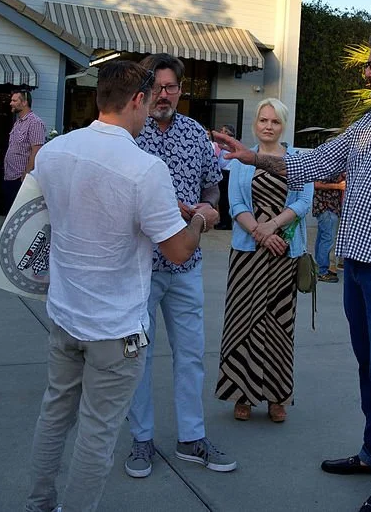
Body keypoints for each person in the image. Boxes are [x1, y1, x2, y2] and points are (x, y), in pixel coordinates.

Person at [214, 33, 371, 512]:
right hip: (356, 266)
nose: (367, 72)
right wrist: (253, 158)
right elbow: (318, 161)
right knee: (369, 369)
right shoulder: (369, 124)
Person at [26, 60, 220, 512]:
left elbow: (34, 216)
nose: (152, 107)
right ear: (136, 100)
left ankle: (38, 505)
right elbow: (177, 250)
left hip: (64, 315)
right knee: (96, 435)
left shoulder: (54, 153)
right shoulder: (144, 168)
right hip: (115, 327)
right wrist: (202, 220)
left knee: (54, 416)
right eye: (149, 99)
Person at [125, 53, 236, 479]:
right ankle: (141, 440)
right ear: (145, 89)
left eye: (172, 87)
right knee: (140, 357)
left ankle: (192, 439)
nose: (164, 94)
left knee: (190, 355)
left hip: (187, 263)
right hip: (141, 265)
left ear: (180, 89)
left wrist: (207, 209)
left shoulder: (194, 134)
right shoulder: (130, 134)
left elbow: (212, 186)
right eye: (157, 86)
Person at [216, 99, 312, 423]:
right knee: (242, 324)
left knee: (279, 328)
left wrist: (273, 227)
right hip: (248, 255)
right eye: (263, 120)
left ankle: (276, 397)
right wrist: (259, 232)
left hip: (284, 254)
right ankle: (241, 394)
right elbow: (235, 203)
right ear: (255, 124)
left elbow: (303, 202)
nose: (268, 126)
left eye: (274, 121)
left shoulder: (298, 160)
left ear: (283, 125)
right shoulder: (242, 160)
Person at [3, 89, 45, 212]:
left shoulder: (35, 123)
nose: (11, 103)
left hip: (20, 178)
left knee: (17, 213)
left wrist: (26, 175)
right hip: (9, 176)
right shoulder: (18, 123)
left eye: (14, 100)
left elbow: (36, 151)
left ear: (24, 102)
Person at [313, 172, 346, 282]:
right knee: (327, 239)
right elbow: (315, 184)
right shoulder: (326, 166)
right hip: (327, 206)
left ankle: (319, 267)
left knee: (323, 237)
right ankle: (323, 271)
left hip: (326, 207)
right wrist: (337, 186)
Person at [213, 124, 236, 230]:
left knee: (225, 198)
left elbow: (233, 150)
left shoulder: (232, 143)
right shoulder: (224, 143)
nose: (221, 132)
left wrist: (221, 145)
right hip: (223, 172)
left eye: (223, 131)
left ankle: (226, 222)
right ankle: (223, 220)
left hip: (228, 173)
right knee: (222, 198)